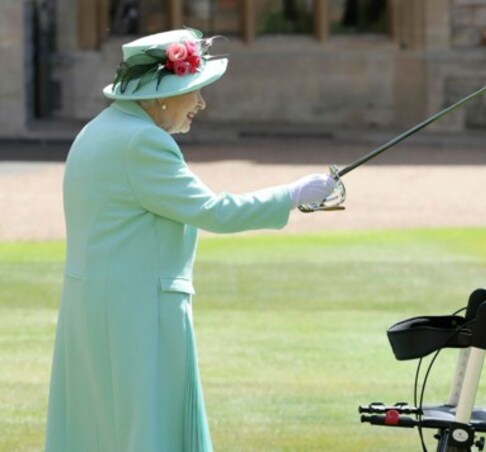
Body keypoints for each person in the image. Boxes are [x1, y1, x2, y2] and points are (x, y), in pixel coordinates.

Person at [45, 29, 335, 451]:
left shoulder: (98, 128)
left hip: (95, 306)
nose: (200, 103)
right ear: (162, 95)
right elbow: (214, 212)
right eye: (193, 90)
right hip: (137, 312)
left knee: (101, 428)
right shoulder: (143, 141)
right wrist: (292, 195)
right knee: (147, 428)